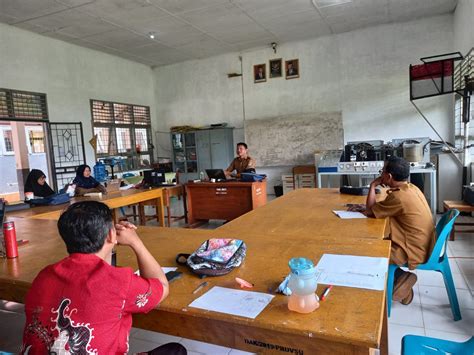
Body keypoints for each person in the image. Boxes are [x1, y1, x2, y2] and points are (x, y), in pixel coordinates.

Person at [21, 201, 187, 354]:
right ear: (110, 235)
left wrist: (110, 238)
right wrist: (136, 242)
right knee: (176, 351)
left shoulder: (44, 275)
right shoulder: (118, 281)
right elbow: (161, 286)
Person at [351, 156, 435, 305]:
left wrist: (372, 185)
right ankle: (402, 283)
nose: (380, 174)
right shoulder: (411, 188)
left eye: (382, 171)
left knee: (367, 248)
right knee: (377, 243)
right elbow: (384, 207)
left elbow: (371, 211)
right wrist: (368, 208)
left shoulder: (398, 197)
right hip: (424, 244)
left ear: (388, 176)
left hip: (412, 250)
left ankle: (399, 280)